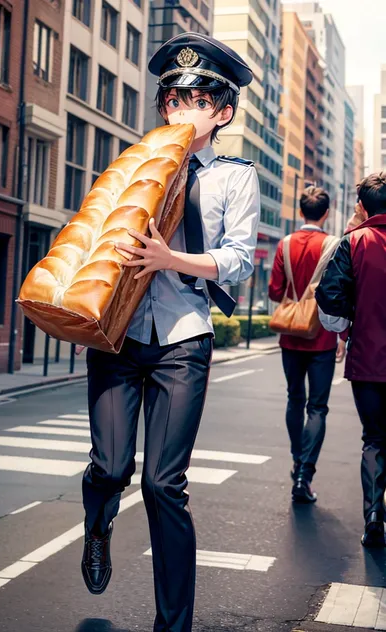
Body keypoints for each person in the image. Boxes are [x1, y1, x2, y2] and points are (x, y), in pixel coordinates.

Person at [80, 32, 260, 632]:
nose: (181, 107)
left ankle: (173, 625)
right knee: (109, 468)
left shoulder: (236, 177)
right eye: (173, 98)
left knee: (163, 484)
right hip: (120, 335)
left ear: (222, 112)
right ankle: (97, 523)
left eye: (197, 98)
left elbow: (238, 260)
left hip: (183, 338)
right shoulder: (133, 164)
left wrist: (170, 259)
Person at [316, 172, 386, 547]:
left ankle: (374, 514)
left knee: (374, 439)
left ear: (362, 206)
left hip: (368, 359)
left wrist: (346, 324)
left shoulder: (353, 242)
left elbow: (329, 295)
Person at [268, 187, 345, 504]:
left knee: (294, 399)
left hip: (290, 335)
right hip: (322, 337)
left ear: (301, 212)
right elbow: (339, 293)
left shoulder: (284, 244)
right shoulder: (332, 245)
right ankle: (304, 474)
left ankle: (297, 460)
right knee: (317, 407)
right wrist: (342, 336)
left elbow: (275, 291)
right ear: (326, 213)